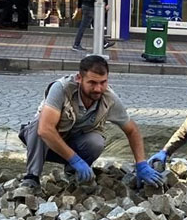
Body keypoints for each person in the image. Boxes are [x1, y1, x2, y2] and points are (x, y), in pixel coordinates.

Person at [19, 55, 164, 190]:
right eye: (92, 83)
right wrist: (75, 159)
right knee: (40, 126)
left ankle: (73, 173)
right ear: (79, 78)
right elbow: (45, 129)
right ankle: (32, 177)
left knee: (96, 141)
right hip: (44, 145)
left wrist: (141, 164)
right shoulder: (61, 89)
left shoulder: (109, 98)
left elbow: (132, 130)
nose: (98, 88)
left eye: (103, 82)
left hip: (73, 143)